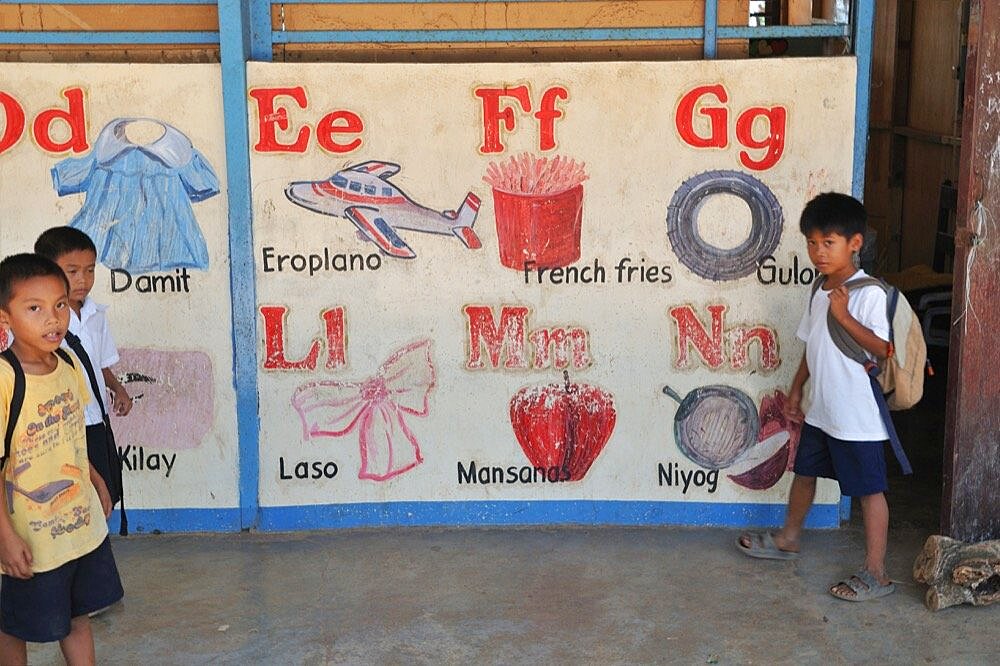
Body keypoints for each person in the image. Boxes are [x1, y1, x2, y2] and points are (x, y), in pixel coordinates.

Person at [737, 192, 897, 602]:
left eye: (829, 243)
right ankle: (789, 538)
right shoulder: (819, 288)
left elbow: (883, 349)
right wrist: (796, 387)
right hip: (823, 411)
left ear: (854, 243)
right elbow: (813, 344)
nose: (819, 252)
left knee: (869, 489)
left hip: (857, 415)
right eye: (812, 243)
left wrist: (844, 316)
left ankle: (876, 571)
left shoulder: (869, 294)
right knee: (803, 473)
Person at [0, 253, 124, 665]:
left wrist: (95, 479)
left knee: (78, 614)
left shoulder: (69, 362)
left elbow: (73, 435)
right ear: (5, 319)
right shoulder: (4, 380)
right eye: (33, 308)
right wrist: (6, 537)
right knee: (11, 624)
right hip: (29, 537)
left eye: (59, 305)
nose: (53, 319)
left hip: (77, 528)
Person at [35, 227, 133, 499]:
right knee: (69, 495)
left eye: (90, 270)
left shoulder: (96, 314)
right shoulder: (42, 319)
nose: (83, 279)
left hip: (96, 420)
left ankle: (100, 540)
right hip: (61, 427)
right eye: (73, 271)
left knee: (102, 495)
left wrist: (118, 389)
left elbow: (99, 362)